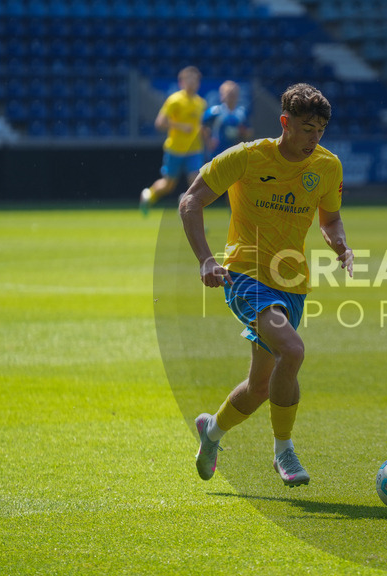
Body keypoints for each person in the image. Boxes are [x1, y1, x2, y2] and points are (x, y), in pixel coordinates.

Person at [180, 83, 354, 487]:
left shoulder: (328, 167)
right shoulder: (247, 156)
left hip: (292, 283)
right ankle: (283, 451)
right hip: (244, 273)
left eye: (321, 131)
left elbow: (330, 220)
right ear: (285, 123)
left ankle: (212, 432)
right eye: (307, 128)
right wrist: (206, 258)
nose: (315, 138)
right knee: (292, 350)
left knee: (260, 386)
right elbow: (190, 201)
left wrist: (338, 242)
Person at [139, 66, 207, 216]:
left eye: (195, 80)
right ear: (181, 82)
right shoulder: (174, 100)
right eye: (189, 80)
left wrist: (207, 137)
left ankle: (189, 212)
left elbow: (201, 126)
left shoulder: (201, 103)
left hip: (194, 150)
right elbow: (160, 123)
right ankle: (148, 195)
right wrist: (180, 126)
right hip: (175, 149)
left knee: (196, 182)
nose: (192, 83)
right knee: (168, 185)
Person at [203, 80, 252, 161]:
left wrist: (243, 132)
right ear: (221, 95)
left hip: (236, 153)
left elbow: (249, 131)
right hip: (217, 154)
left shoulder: (242, 113)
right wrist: (208, 142)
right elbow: (202, 125)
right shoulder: (215, 111)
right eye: (228, 93)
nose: (231, 97)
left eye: (233, 94)